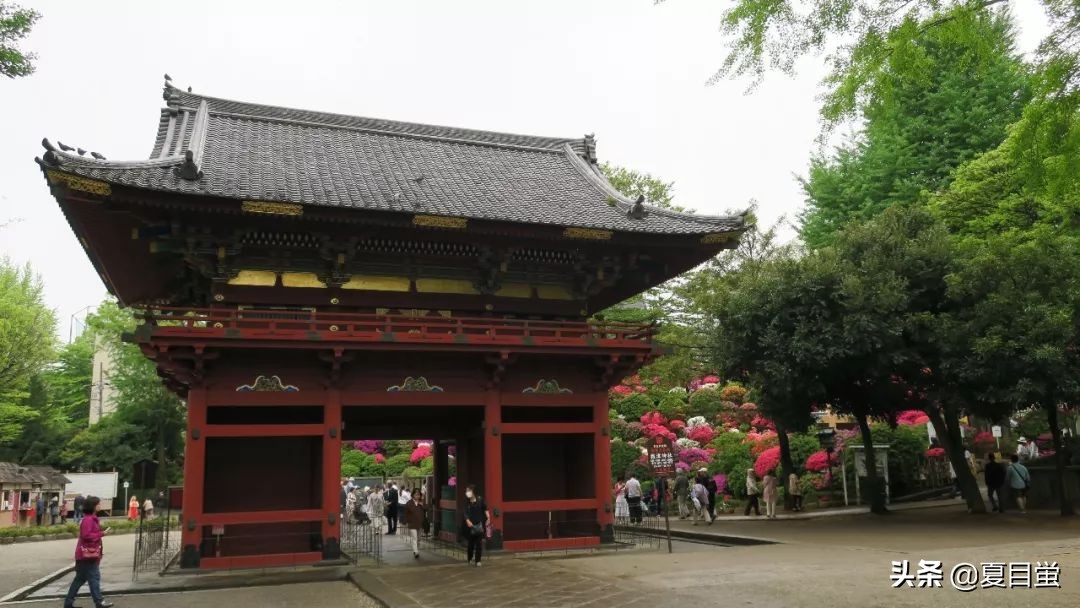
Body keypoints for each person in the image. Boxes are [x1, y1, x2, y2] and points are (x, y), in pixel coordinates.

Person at [63, 496, 114, 608]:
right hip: (87, 555)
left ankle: (68, 603)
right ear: (93, 506)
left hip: (85, 555)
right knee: (94, 577)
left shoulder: (91, 518)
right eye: (98, 504)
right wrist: (101, 534)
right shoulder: (88, 519)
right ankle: (99, 602)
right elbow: (86, 535)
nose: (100, 506)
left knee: (79, 580)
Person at [462, 484, 489, 567]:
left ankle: (478, 560)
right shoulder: (466, 502)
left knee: (479, 544)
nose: (467, 492)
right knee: (470, 544)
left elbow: (485, 508)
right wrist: (467, 520)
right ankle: (470, 558)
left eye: (469, 491)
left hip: (479, 524)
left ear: (473, 491)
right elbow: (465, 512)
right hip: (470, 526)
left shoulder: (480, 500)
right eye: (466, 491)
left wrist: (488, 517)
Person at [403, 491, 424, 559]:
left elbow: (427, 508)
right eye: (416, 495)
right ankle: (416, 552)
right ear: (412, 495)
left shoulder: (421, 503)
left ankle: (416, 549)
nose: (417, 496)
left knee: (419, 538)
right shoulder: (409, 503)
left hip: (420, 523)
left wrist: (422, 504)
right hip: (412, 523)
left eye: (419, 495)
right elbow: (406, 513)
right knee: (414, 538)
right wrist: (405, 522)